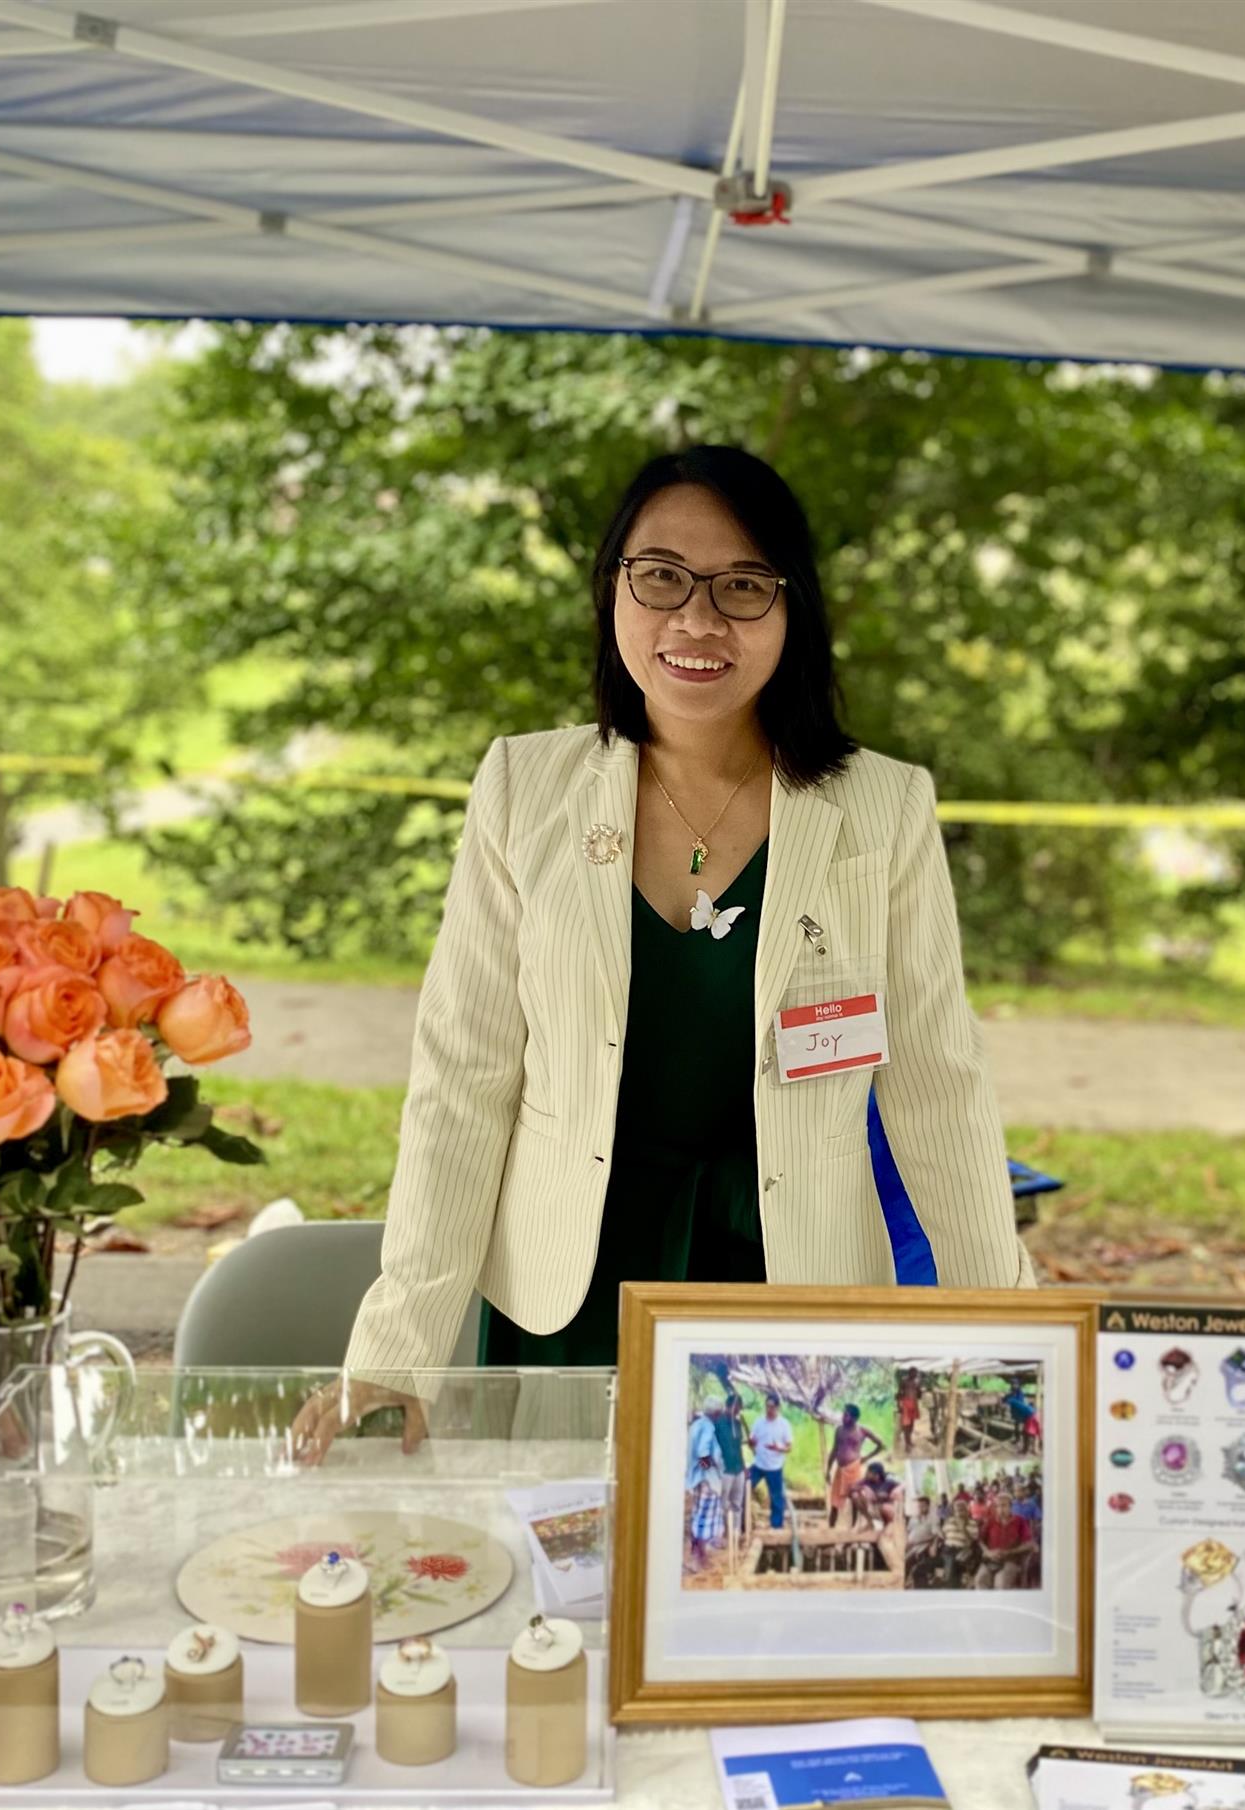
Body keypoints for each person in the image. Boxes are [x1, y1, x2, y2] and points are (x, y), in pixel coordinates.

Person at [289, 445, 1031, 1463]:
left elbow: (940, 1088)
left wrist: (1015, 1342)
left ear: (793, 609)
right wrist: (392, 1355)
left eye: (742, 586)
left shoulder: (881, 809)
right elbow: (461, 1084)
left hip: (796, 1282)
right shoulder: (524, 790)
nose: (697, 619)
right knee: (564, 1552)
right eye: (663, 577)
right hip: (573, 1286)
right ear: (613, 590)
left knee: (776, 1534)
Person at [826, 1403, 886, 1528]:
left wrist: (866, 1458)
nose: (843, 1417)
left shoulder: (861, 1431)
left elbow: (881, 1445)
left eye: (846, 1415)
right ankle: (831, 1528)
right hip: (840, 1469)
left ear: (854, 1418)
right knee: (834, 1500)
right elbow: (834, 1450)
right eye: (843, 1414)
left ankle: (853, 1528)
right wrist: (828, 1469)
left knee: (854, 1497)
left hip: (853, 1468)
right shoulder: (839, 1430)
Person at [686, 1404, 725, 1573]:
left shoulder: (696, 1425)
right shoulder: (708, 1427)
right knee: (704, 1519)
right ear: (715, 1413)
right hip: (707, 1480)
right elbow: (703, 1453)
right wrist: (710, 1470)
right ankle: (698, 1559)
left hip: (696, 1478)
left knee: (698, 1515)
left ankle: (699, 1555)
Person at [749, 1394, 793, 1532]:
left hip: (775, 1466)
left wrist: (778, 1448)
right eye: (767, 1406)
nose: (769, 1409)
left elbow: (789, 1447)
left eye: (772, 1407)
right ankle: (745, 1522)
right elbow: (752, 1441)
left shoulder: (784, 1424)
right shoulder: (758, 1422)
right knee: (744, 1486)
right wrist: (752, 1443)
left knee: (776, 1498)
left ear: (777, 1408)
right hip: (758, 1464)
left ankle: (776, 1526)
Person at [714, 1391, 750, 1545]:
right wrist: (709, 1467)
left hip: (738, 1469)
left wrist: (744, 1466)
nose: (737, 1412)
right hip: (725, 1469)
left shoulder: (737, 1424)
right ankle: (721, 1535)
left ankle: (735, 1534)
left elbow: (738, 1447)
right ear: (728, 1406)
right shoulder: (718, 1423)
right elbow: (710, 1448)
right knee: (722, 1503)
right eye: (736, 1408)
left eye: (739, 1409)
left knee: (737, 1503)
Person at [976, 1493, 1028, 1590]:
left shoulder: (1019, 1521)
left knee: (1001, 1583)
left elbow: (1029, 1543)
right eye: (997, 1506)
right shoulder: (990, 1521)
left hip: (1010, 1560)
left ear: (1011, 1507)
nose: (1000, 1509)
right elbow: (980, 1540)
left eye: (1004, 1505)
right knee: (980, 1580)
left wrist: (1009, 1552)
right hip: (990, 1559)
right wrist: (987, 1552)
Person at [895, 1369, 922, 1456]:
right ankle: (907, 1445)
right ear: (909, 1373)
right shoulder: (904, 1381)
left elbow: (919, 1395)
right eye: (914, 1373)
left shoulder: (916, 1382)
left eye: (916, 1374)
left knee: (912, 1424)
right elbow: (899, 1393)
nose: (915, 1375)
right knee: (906, 1425)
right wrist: (899, 1405)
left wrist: (919, 1388)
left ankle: (909, 1441)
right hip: (905, 1404)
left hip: (914, 1404)